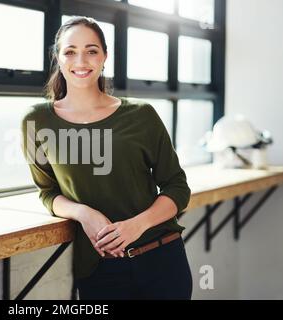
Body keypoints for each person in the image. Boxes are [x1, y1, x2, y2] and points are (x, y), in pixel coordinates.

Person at [20, 16, 192, 300]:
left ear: (104, 57)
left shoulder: (142, 115)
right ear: (58, 58)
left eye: (91, 50)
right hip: (100, 270)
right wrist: (83, 213)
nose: (81, 60)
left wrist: (136, 225)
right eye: (70, 51)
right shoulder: (35, 121)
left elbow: (177, 187)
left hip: (162, 259)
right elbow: (48, 192)